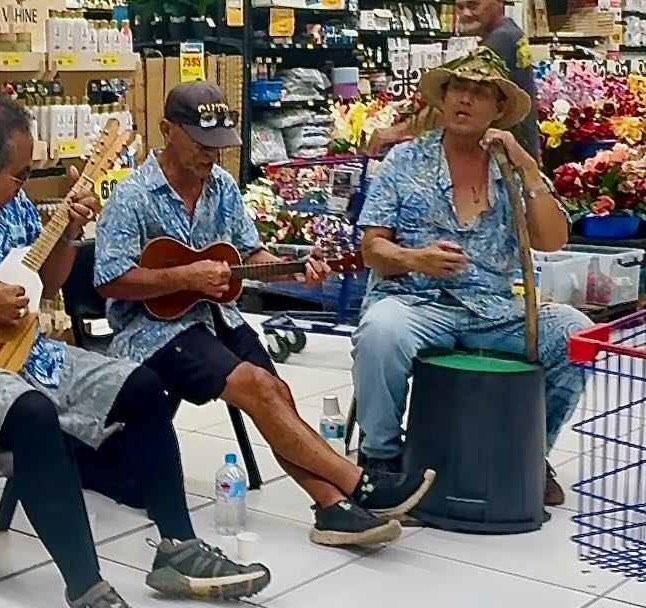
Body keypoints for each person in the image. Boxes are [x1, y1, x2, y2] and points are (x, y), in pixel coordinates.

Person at [0, 96, 271, 608]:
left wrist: (70, 232)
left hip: (26, 353)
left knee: (142, 388)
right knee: (32, 414)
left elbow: (47, 284)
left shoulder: (8, 206)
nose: (24, 186)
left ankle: (178, 548)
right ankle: (86, 587)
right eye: (19, 175)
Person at [94, 81, 435, 547]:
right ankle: (361, 484)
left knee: (275, 391)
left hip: (217, 318)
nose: (212, 156)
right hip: (152, 332)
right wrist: (185, 278)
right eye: (201, 143)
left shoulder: (222, 187)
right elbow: (110, 280)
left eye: (219, 146)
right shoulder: (133, 195)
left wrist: (293, 271)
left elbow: (250, 253)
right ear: (166, 130)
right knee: (257, 387)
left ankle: (332, 508)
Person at [350, 48, 590, 506]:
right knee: (382, 331)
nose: (466, 99)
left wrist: (527, 165)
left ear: (499, 110)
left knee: (575, 334)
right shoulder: (404, 161)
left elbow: (552, 239)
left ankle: (529, 451)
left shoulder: (510, 167)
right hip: (415, 301)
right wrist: (414, 258)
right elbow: (371, 248)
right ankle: (380, 457)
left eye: (481, 93)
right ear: (442, 98)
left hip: (494, 309)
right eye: (458, 88)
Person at [366, 0, 539, 160]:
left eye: (473, 4)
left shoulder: (502, 39)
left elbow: (451, 107)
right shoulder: (509, 33)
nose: (465, 13)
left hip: (512, 162)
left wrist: (395, 132)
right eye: (460, 6)